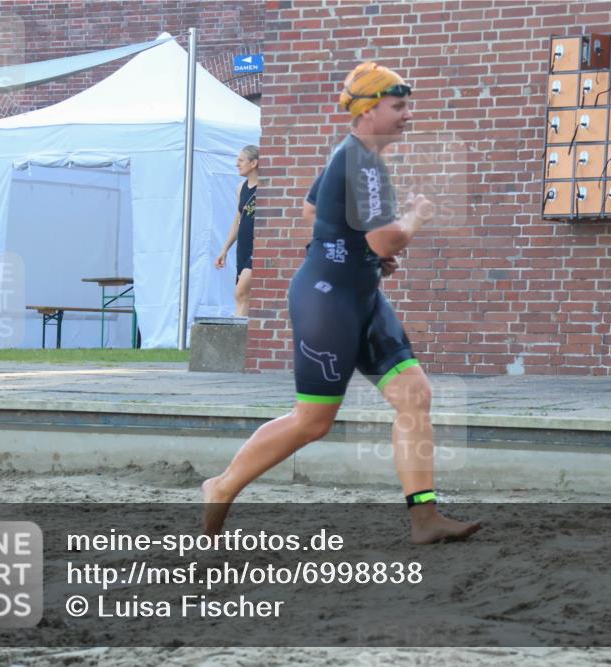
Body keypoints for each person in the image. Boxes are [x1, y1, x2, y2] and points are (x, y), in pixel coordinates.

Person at [202, 62, 481, 544]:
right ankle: (221, 485)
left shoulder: (353, 156)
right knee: (312, 422)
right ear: (369, 109)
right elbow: (386, 241)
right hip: (328, 302)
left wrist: (356, 253)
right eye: (398, 106)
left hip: (359, 293)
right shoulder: (362, 162)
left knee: (414, 396)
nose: (408, 115)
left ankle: (425, 519)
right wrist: (413, 218)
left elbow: (314, 211)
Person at [215, 145, 259, 317]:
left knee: (241, 292)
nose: (237, 164)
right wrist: (224, 250)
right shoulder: (241, 187)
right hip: (243, 247)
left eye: (241, 160)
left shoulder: (265, 187)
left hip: (258, 248)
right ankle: (245, 338)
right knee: (244, 296)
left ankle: (236, 336)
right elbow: (237, 221)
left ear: (254, 163)